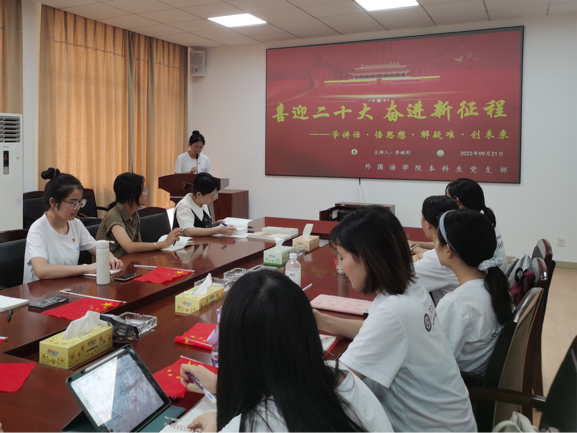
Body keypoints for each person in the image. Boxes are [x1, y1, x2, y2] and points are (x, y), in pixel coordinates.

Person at [314, 206, 476, 432]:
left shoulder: (393, 312)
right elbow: (376, 330)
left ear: (366, 259)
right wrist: (321, 321)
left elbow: (336, 381)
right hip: (452, 422)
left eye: (342, 257)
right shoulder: (411, 287)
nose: (341, 266)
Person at [180, 270, 393, 433]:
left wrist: (217, 426)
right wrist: (224, 387)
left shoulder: (251, 425)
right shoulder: (343, 378)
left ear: (236, 350)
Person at [435, 209, 514, 375]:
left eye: (436, 239)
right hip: (476, 377)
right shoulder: (495, 286)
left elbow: (434, 367)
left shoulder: (456, 304)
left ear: (448, 250)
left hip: (462, 384)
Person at [23, 168, 123, 284]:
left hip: (67, 286)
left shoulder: (75, 223)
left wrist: (110, 257)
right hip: (41, 290)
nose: (78, 207)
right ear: (53, 202)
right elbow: (42, 271)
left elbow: (96, 247)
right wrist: (87, 268)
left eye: (80, 202)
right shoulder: (38, 230)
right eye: (73, 203)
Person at [96, 172, 182, 257]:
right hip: (108, 264)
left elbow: (138, 245)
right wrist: (164, 243)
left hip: (128, 261)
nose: (146, 194)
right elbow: (129, 247)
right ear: (132, 195)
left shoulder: (134, 214)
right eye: (144, 190)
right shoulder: (113, 216)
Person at [445, 178, 506, 272]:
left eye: (447, 199)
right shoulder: (484, 222)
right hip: (497, 276)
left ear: (457, 201)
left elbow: (445, 252)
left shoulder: (468, 228)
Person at [412, 196, 460, 304]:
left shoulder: (441, 259)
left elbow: (400, 279)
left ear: (427, 224)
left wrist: (415, 257)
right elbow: (423, 256)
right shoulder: (455, 244)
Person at [174, 172, 235, 236]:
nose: (213, 199)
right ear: (199, 194)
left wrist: (216, 224)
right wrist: (218, 230)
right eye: (211, 196)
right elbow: (188, 231)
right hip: (186, 242)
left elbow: (201, 227)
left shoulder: (202, 201)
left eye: (215, 195)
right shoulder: (184, 206)